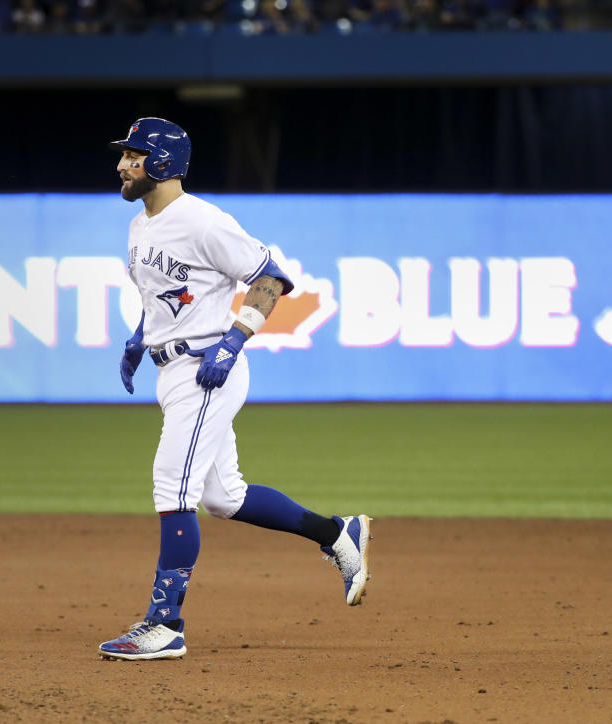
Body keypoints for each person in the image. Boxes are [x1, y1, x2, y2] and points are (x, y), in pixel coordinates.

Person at [99, 117, 372, 661]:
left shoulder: (203, 222)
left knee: (173, 488)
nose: (123, 164)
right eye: (124, 155)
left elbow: (271, 277)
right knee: (225, 497)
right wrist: (138, 338)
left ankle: (164, 624)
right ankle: (337, 533)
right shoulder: (140, 226)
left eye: (134, 155)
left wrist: (234, 340)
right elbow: (164, 297)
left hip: (206, 369)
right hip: (171, 368)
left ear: (163, 162)